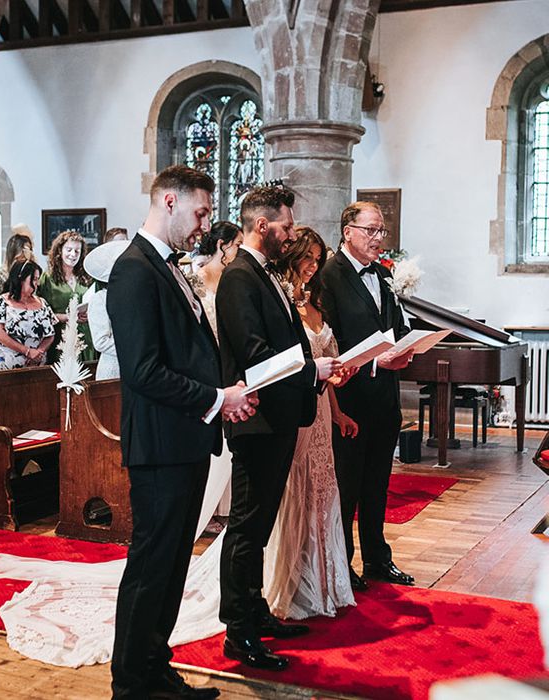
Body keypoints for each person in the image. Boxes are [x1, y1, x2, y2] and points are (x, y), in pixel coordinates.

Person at [106, 164, 258, 700]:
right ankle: (130, 684)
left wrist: (226, 391)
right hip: (159, 444)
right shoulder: (134, 270)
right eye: (200, 212)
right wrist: (217, 399)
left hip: (185, 439)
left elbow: (188, 352)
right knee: (152, 566)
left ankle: (155, 666)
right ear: (169, 202)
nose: (204, 225)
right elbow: (143, 370)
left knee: (172, 565)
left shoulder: (168, 266)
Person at [215, 185, 340, 671]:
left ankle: (255, 609)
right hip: (257, 421)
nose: (291, 234)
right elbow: (254, 354)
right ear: (261, 225)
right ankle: (238, 631)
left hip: (280, 418)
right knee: (247, 528)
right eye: (286, 226)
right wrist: (314, 372)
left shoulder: (264, 274)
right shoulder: (239, 278)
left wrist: (319, 368)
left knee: (261, 525)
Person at [263, 226, 358, 620]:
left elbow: (326, 368)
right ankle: (289, 580)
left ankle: (324, 580)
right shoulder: (283, 303)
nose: (312, 266)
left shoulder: (316, 302)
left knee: (323, 490)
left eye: (318, 260)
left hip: (321, 412)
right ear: (291, 256)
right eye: (307, 258)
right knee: (295, 490)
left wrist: (337, 406)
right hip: (296, 411)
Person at [320, 201, 415, 591]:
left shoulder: (382, 274)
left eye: (382, 232)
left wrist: (406, 346)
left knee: (377, 485)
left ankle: (378, 559)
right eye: (372, 231)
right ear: (348, 232)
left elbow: (392, 326)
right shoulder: (329, 275)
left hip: (384, 400)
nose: (379, 239)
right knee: (348, 487)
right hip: (350, 398)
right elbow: (330, 341)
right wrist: (377, 364)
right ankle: (344, 565)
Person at [187, 221, 243, 521]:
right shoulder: (195, 281)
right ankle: (207, 511)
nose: (239, 251)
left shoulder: (233, 280)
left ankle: (226, 508)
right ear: (222, 246)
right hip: (206, 371)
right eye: (236, 245)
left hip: (231, 368)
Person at [0, 260, 58, 370]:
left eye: (37, 279)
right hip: (7, 363)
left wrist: (39, 352)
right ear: (20, 278)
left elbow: (50, 334)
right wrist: (27, 351)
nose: (37, 284)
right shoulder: (0, 302)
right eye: (34, 279)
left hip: (36, 363)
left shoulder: (42, 303)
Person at [39, 231, 95, 364]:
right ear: (60, 250)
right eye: (69, 249)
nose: (73, 254)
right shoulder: (48, 278)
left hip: (85, 337)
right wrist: (67, 317)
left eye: (77, 251)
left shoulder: (87, 277)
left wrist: (89, 313)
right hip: (60, 338)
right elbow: (41, 313)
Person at [83, 240, 129, 380]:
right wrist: (133, 349)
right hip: (113, 369)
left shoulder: (132, 297)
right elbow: (101, 341)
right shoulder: (100, 299)